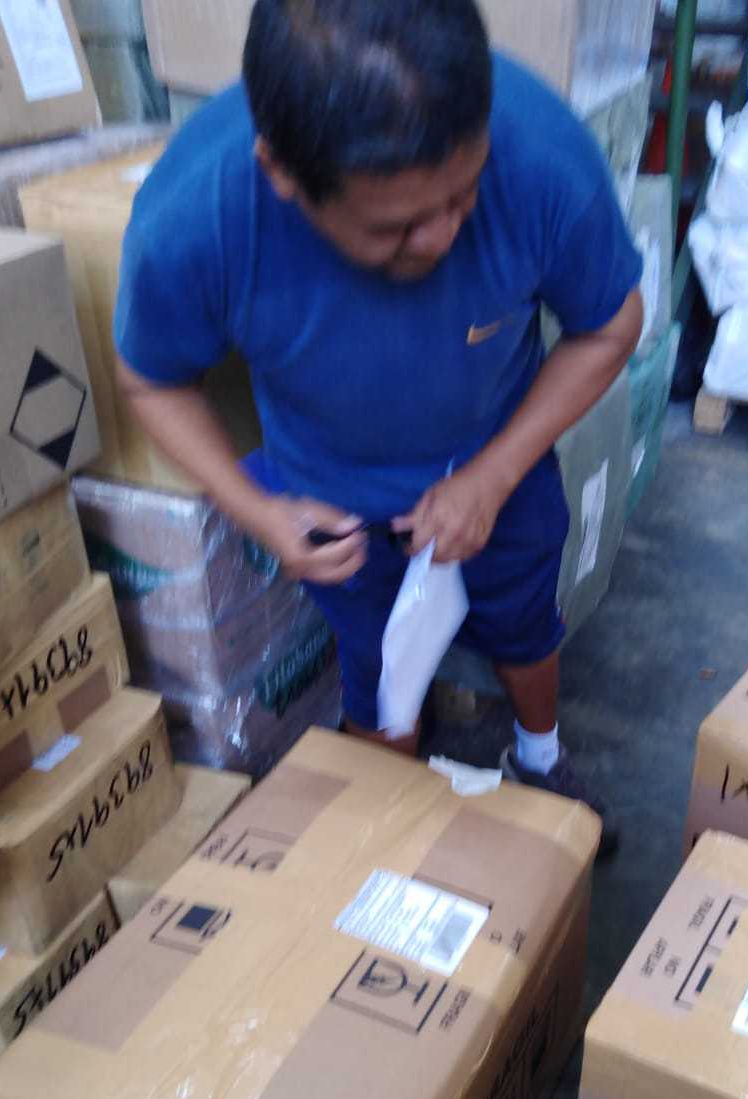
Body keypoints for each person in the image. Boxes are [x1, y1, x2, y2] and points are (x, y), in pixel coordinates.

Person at [115, 0, 643, 852]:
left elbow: (611, 325)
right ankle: (395, 833)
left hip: (498, 465)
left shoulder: (543, 159)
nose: (439, 238)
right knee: (378, 671)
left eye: (463, 196)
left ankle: (540, 758)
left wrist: (495, 474)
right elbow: (151, 382)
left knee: (525, 621)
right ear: (283, 174)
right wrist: (261, 514)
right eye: (394, 229)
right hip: (336, 510)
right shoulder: (197, 219)